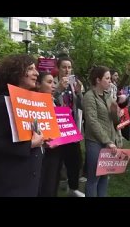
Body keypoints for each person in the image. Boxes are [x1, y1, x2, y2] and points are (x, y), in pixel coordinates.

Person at [0, 54, 44, 197]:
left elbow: (35, 137)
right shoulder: (1, 103)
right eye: (30, 69)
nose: (36, 73)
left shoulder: (31, 102)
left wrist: (43, 142)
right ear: (15, 73)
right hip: (8, 184)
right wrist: (30, 144)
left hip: (29, 182)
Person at [83, 65, 123, 197]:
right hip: (95, 142)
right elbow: (92, 121)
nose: (110, 81)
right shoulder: (89, 96)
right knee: (94, 178)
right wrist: (107, 141)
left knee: (104, 176)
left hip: (109, 141)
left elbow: (115, 120)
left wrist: (116, 111)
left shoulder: (108, 96)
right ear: (97, 80)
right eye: (107, 78)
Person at [54, 55, 85, 197]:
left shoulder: (73, 84)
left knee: (75, 159)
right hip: (57, 127)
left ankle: (73, 187)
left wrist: (79, 92)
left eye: (69, 67)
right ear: (58, 68)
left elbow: (81, 106)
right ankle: (55, 185)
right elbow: (48, 101)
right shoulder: (52, 82)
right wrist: (58, 90)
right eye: (64, 67)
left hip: (71, 128)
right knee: (56, 160)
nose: (67, 70)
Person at [36, 71, 62, 197]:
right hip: (39, 151)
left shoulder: (55, 101)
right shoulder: (30, 103)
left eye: (54, 83)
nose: (53, 86)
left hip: (55, 150)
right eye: (49, 82)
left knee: (51, 185)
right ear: (38, 85)